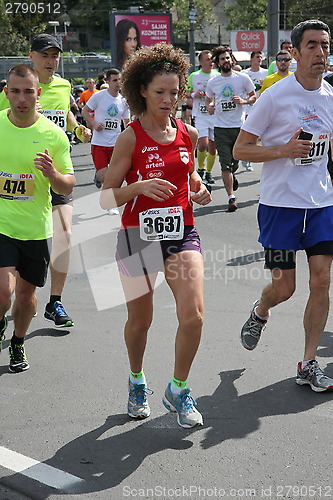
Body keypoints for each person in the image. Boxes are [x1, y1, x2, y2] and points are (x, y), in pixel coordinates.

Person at [100, 42, 212, 428]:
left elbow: (189, 173)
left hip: (181, 232)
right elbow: (104, 198)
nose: (168, 99)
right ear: (142, 91)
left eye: (174, 91)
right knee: (140, 320)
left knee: (194, 315)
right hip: (137, 237)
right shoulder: (130, 137)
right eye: (160, 92)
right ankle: (136, 379)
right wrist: (138, 188)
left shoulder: (188, 132)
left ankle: (178, 389)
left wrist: (198, 187)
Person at [233, 19, 333, 392]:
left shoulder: (331, 97)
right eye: (312, 46)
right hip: (280, 207)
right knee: (285, 287)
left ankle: (308, 363)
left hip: (322, 204)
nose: (320, 53)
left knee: (322, 280)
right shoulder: (275, 96)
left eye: (325, 45)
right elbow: (241, 148)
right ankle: (260, 311)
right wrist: (283, 151)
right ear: (294, 52)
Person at [0, 64, 75, 372]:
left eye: (28, 92)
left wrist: (53, 173)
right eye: (15, 91)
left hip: (34, 228)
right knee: (4, 290)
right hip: (2, 223)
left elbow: (67, 184)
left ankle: (18, 341)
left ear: (38, 94)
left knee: (27, 297)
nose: (21, 98)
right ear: (6, 93)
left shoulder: (53, 135)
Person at [205, 46, 256, 212]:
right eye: (222, 59)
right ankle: (231, 197)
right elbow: (208, 101)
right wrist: (210, 106)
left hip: (239, 128)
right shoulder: (213, 82)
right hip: (220, 128)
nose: (225, 61)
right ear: (218, 63)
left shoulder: (242, 78)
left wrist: (243, 101)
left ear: (231, 60)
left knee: (235, 162)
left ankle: (232, 176)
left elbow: (253, 96)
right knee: (225, 165)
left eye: (227, 58)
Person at [82, 68, 130, 205]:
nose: (118, 83)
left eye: (120, 80)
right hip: (99, 142)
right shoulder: (99, 96)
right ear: (108, 82)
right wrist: (93, 123)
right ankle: (98, 177)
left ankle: (110, 203)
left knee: (115, 176)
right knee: (104, 175)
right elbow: (85, 111)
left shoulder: (123, 101)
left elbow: (127, 123)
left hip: (116, 143)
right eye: (115, 80)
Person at [187, 50, 219, 184]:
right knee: (202, 143)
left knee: (213, 146)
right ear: (201, 62)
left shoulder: (217, 75)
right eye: (207, 59)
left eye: (211, 59)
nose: (210, 61)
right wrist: (195, 95)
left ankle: (209, 172)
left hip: (214, 115)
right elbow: (186, 95)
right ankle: (200, 168)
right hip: (200, 115)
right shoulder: (194, 76)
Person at [241, 51, 268, 171]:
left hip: (260, 107)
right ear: (251, 59)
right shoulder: (245, 73)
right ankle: (246, 158)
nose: (260, 59)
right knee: (250, 133)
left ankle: (249, 158)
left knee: (258, 134)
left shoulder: (266, 73)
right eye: (257, 57)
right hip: (248, 107)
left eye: (261, 57)